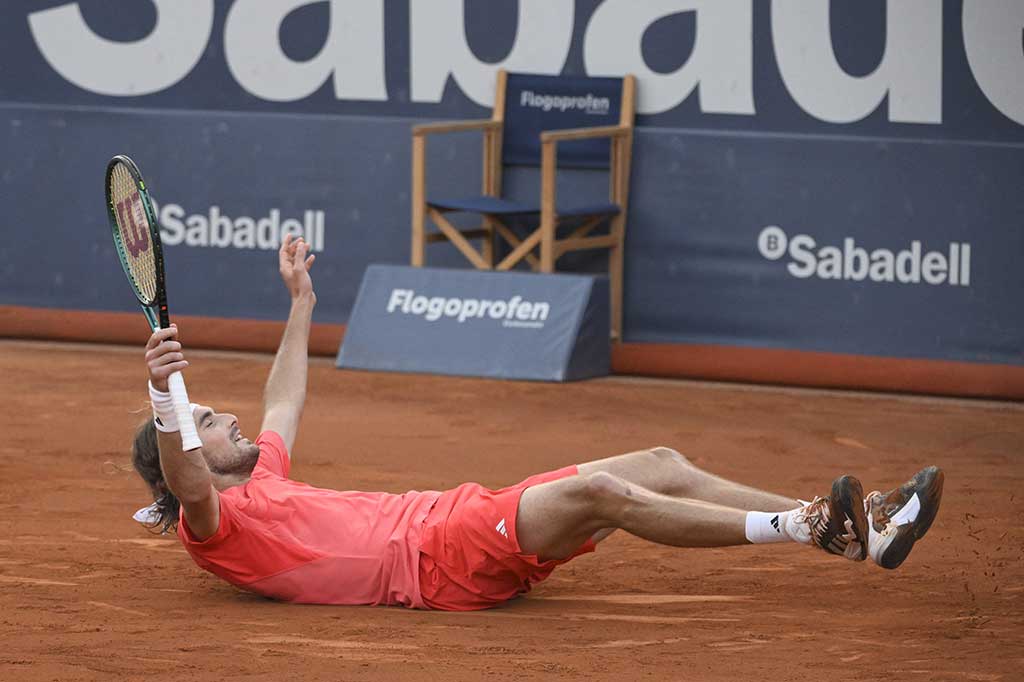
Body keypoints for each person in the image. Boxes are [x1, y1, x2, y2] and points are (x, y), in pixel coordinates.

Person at [130, 234, 944, 610]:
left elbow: (283, 400)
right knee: (602, 490)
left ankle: (860, 533)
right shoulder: (216, 524)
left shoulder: (261, 472)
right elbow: (186, 477)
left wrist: (302, 305)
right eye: (207, 416)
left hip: (454, 513)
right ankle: (808, 527)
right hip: (437, 560)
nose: (224, 413)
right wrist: (169, 398)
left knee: (658, 458)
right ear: (184, 445)